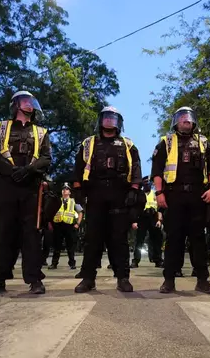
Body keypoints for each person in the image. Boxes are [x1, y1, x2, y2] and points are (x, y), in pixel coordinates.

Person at [0, 91, 51, 295]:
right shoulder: (1, 127)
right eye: (25, 102)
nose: (30, 105)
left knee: (32, 235)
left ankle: (35, 280)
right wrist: (11, 171)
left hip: (30, 187)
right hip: (5, 186)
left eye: (32, 102)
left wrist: (28, 170)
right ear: (16, 105)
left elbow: (46, 158)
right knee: (1, 234)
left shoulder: (41, 132)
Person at [73, 107, 142, 293]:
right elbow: (78, 168)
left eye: (113, 118)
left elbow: (136, 168)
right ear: (100, 121)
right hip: (95, 193)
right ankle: (88, 278)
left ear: (119, 122)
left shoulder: (128, 144)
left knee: (119, 238)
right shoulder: (88, 144)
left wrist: (134, 191)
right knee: (92, 238)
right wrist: (78, 190)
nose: (110, 121)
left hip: (120, 194)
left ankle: (123, 278)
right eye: (106, 117)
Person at [151, 107, 210, 294]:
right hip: (174, 195)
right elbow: (156, 170)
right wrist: (159, 193)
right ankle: (169, 280)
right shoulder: (166, 142)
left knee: (198, 239)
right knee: (174, 238)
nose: (186, 120)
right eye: (182, 117)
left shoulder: (203, 142)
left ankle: (202, 280)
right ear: (175, 122)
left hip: (199, 195)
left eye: (189, 117)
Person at [131, 176, 163, 268]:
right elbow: (136, 209)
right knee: (139, 240)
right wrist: (135, 221)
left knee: (156, 240)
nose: (146, 184)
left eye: (148, 182)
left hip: (153, 217)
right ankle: (135, 261)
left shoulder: (154, 194)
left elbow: (159, 208)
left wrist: (159, 220)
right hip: (142, 218)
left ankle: (158, 260)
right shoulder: (139, 194)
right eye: (145, 182)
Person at [49, 182, 83, 270]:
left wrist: (78, 224)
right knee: (57, 246)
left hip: (69, 226)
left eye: (67, 189)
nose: (65, 191)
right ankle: (54, 263)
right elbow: (51, 212)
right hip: (58, 225)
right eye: (63, 189)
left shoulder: (73, 201)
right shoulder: (57, 201)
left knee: (70, 246)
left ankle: (72, 263)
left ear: (70, 192)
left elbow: (80, 212)